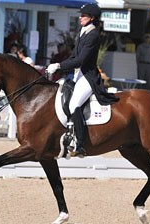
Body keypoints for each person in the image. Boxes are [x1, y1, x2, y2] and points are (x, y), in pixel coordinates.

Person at [46, 3, 119, 157]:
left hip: (88, 76)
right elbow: (73, 56)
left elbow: (80, 60)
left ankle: (80, 144)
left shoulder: (93, 35)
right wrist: (56, 66)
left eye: (83, 16)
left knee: (74, 104)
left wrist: (59, 65)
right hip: (78, 75)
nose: (80, 18)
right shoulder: (83, 32)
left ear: (92, 18)